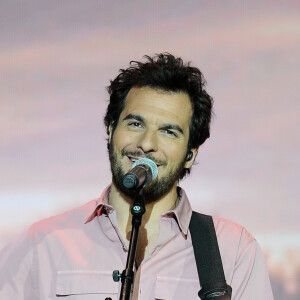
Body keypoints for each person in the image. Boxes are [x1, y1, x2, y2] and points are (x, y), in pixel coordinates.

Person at [0, 53, 274, 299]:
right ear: (110, 130)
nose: (146, 143)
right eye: (135, 123)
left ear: (190, 153)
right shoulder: (42, 243)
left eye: (169, 131)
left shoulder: (233, 251)